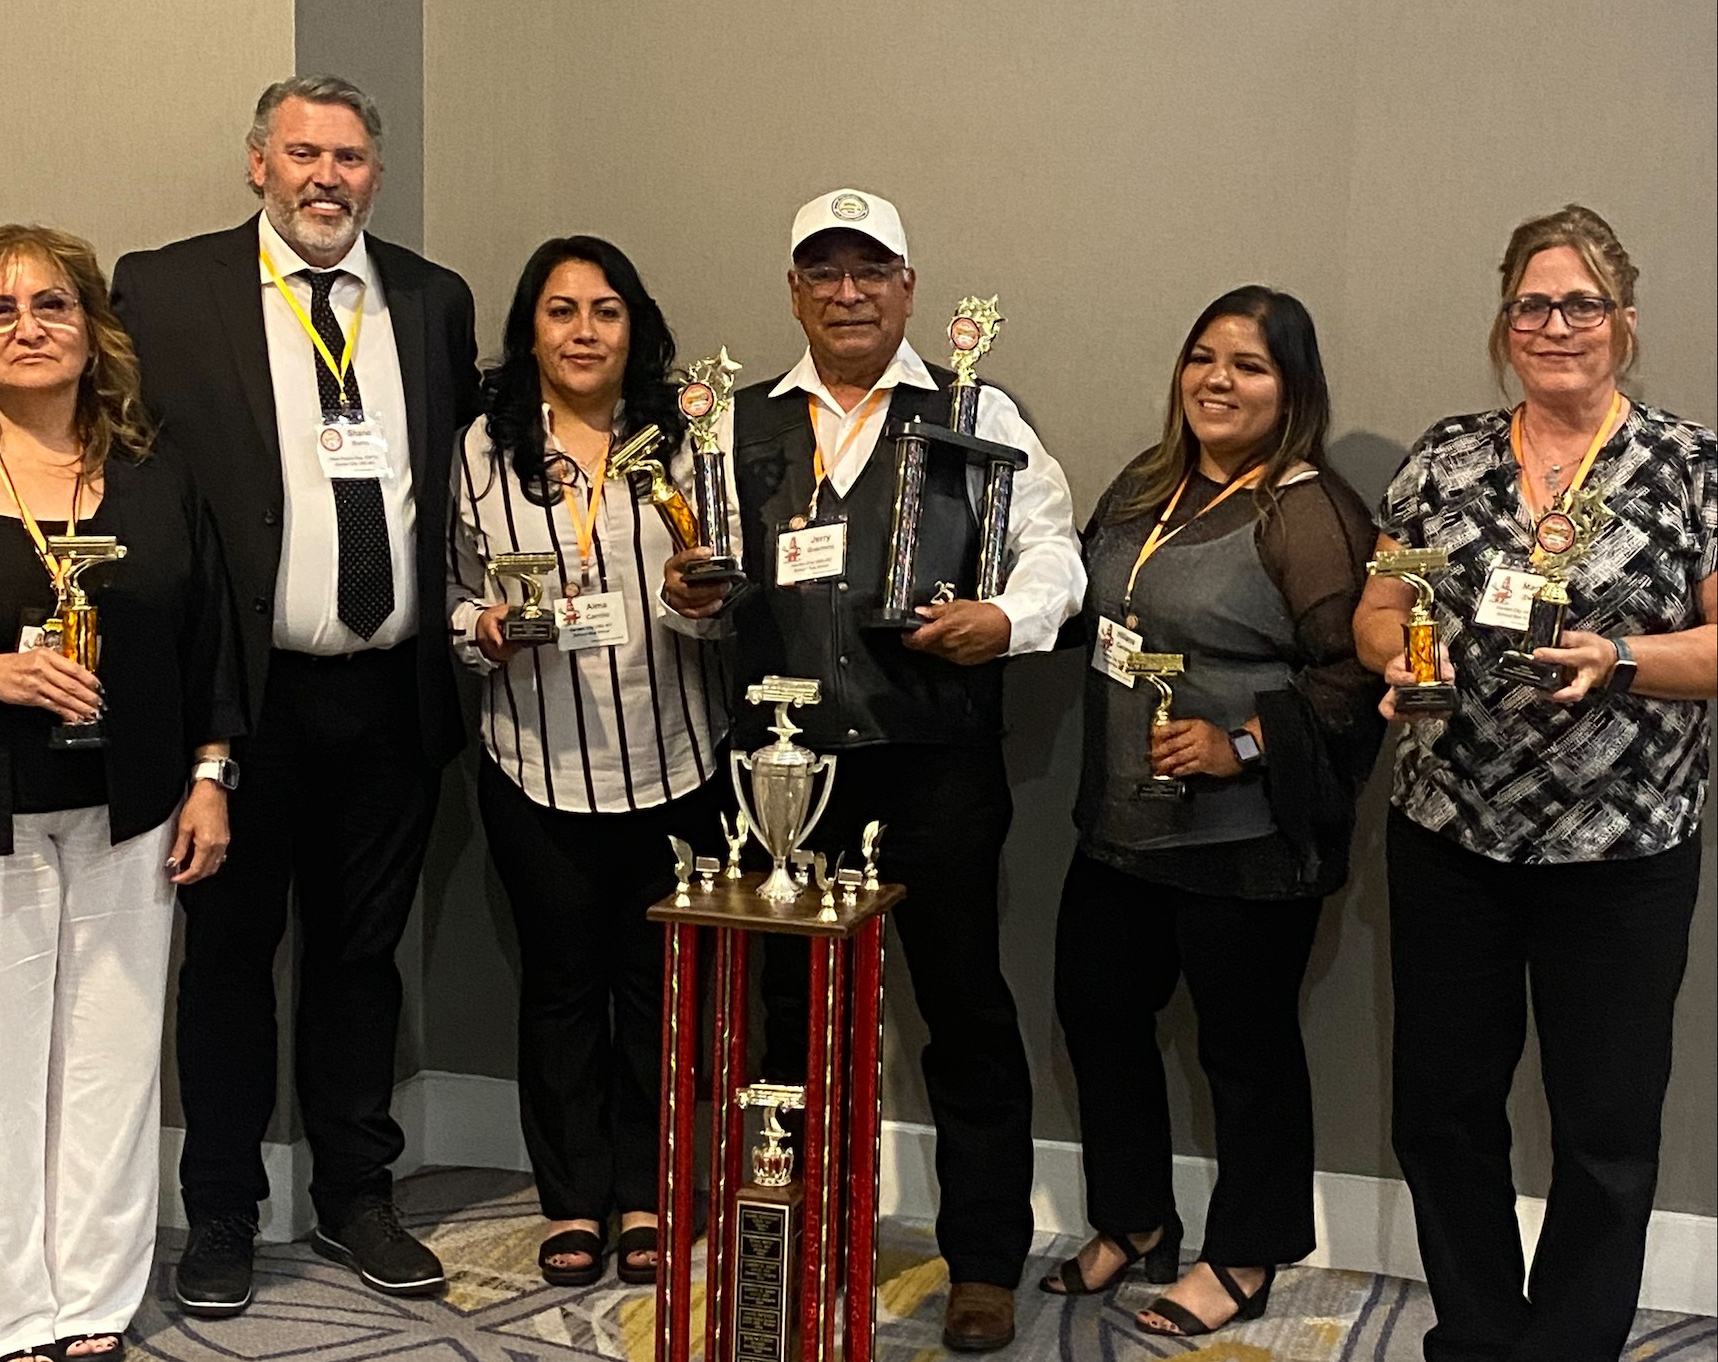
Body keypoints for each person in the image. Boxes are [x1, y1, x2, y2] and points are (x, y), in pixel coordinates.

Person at [665, 187, 1085, 1353]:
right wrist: (689, 601)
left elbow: (1052, 552)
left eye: (870, 272)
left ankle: (984, 1263)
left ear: (908, 286)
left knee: (962, 1010)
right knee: (789, 1021)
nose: (847, 293)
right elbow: (714, 602)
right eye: (823, 273)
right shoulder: (737, 426)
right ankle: (796, 1241)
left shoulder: (975, 408)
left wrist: (1002, 620)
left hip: (936, 762)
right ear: (793, 291)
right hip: (782, 774)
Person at [109, 75, 480, 1314]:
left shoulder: (430, 300)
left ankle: (354, 1198)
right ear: (257, 163)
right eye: (304, 154)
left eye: (353, 158)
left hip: (390, 695)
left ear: (377, 172)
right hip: (241, 704)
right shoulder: (166, 290)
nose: (329, 178)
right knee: (225, 960)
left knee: (362, 959)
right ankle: (220, 1207)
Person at [1355, 205, 1715, 1362]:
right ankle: (1477, 1337)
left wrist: (1620, 661)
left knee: (1606, 1131)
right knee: (1443, 1115)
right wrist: (1401, 662)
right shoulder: (1443, 459)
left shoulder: (1689, 464)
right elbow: (1377, 610)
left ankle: (1567, 1349)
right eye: (1532, 304)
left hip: (1624, 850)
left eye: (1581, 304)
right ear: (1503, 319)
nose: (1555, 326)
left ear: (1624, 322)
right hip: (1451, 831)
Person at [0, 225, 243, 1362]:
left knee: (110, 1062)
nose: (29, 328)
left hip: (133, 804)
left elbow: (212, 642)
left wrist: (209, 776)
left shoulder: (153, 473)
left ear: (94, 331)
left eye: (52, 306)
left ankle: (93, 1300)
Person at [1042, 286, 1382, 1339]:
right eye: (1203, 356)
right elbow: (1084, 605)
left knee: (1244, 1051)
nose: (1217, 381)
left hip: (1242, 842)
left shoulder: (1307, 510)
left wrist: (1240, 746)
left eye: (1249, 365)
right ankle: (1135, 1219)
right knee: (1097, 1018)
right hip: (1121, 821)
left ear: (1292, 391)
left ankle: (1245, 1251)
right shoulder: (1148, 483)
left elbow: (1353, 674)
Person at [447, 235, 728, 1288]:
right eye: (561, 311)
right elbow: (448, 595)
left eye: (604, 311)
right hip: (536, 766)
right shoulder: (482, 450)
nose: (582, 331)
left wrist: (702, 609)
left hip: (673, 761)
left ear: (634, 327)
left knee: (659, 992)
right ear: (531, 329)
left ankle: (651, 1192)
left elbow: (729, 601)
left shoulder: (683, 444)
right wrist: (483, 625)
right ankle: (571, 1201)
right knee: (559, 989)